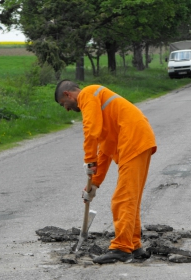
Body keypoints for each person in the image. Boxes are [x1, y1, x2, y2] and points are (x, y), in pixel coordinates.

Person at [54, 80, 157, 264]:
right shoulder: (101, 105)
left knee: (123, 198)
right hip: (138, 138)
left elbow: (90, 130)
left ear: (68, 95)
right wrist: (94, 183)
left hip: (133, 139)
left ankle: (121, 248)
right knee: (131, 198)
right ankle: (134, 245)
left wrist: (88, 160)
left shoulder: (87, 94)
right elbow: (105, 150)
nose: (67, 109)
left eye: (64, 104)